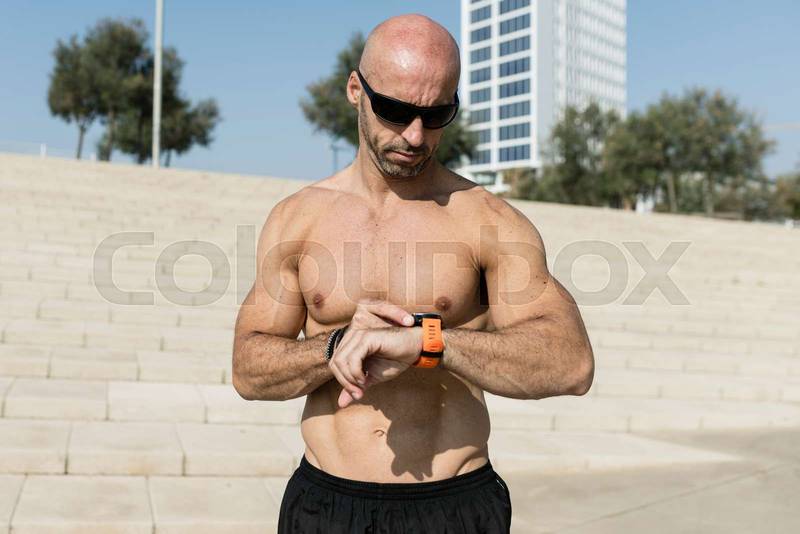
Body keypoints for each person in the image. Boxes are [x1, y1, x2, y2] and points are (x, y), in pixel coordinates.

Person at [232, 13, 594, 534]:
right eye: (396, 110)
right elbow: (248, 368)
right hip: (327, 504)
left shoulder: (486, 220)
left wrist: (427, 343)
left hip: (452, 505)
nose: (416, 134)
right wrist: (337, 347)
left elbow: (571, 363)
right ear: (357, 90)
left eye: (437, 113)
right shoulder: (299, 218)